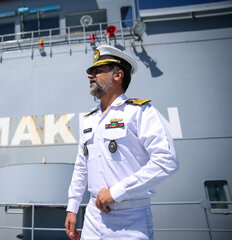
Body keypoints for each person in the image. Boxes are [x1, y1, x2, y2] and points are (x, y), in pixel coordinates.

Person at [65, 45, 179, 240]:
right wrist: (72, 207)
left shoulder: (139, 112)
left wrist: (116, 193)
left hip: (130, 219)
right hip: (92, 218)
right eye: (91, 71)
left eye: (97, 71)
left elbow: (167, 160)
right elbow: (81, 167)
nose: (90, 76)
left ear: (117, 76)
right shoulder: (89, 119)